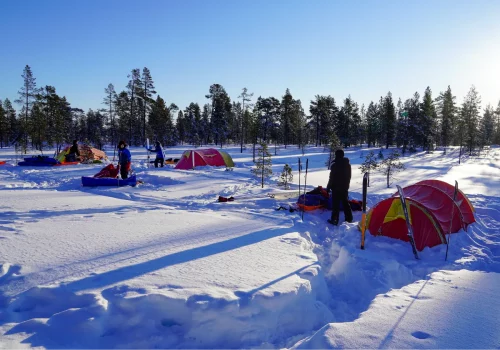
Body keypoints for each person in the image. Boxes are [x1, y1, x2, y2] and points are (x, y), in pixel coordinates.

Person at [326, 149, 353, 225]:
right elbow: (349, 176)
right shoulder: (348, 164)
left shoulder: (335, 165)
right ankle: (349, 218)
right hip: (345, 187)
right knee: (345, 203)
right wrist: (347, 185)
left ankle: (334, 220)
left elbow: (331, 178)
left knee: (336, 205)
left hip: (336, 188)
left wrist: (328, 188)